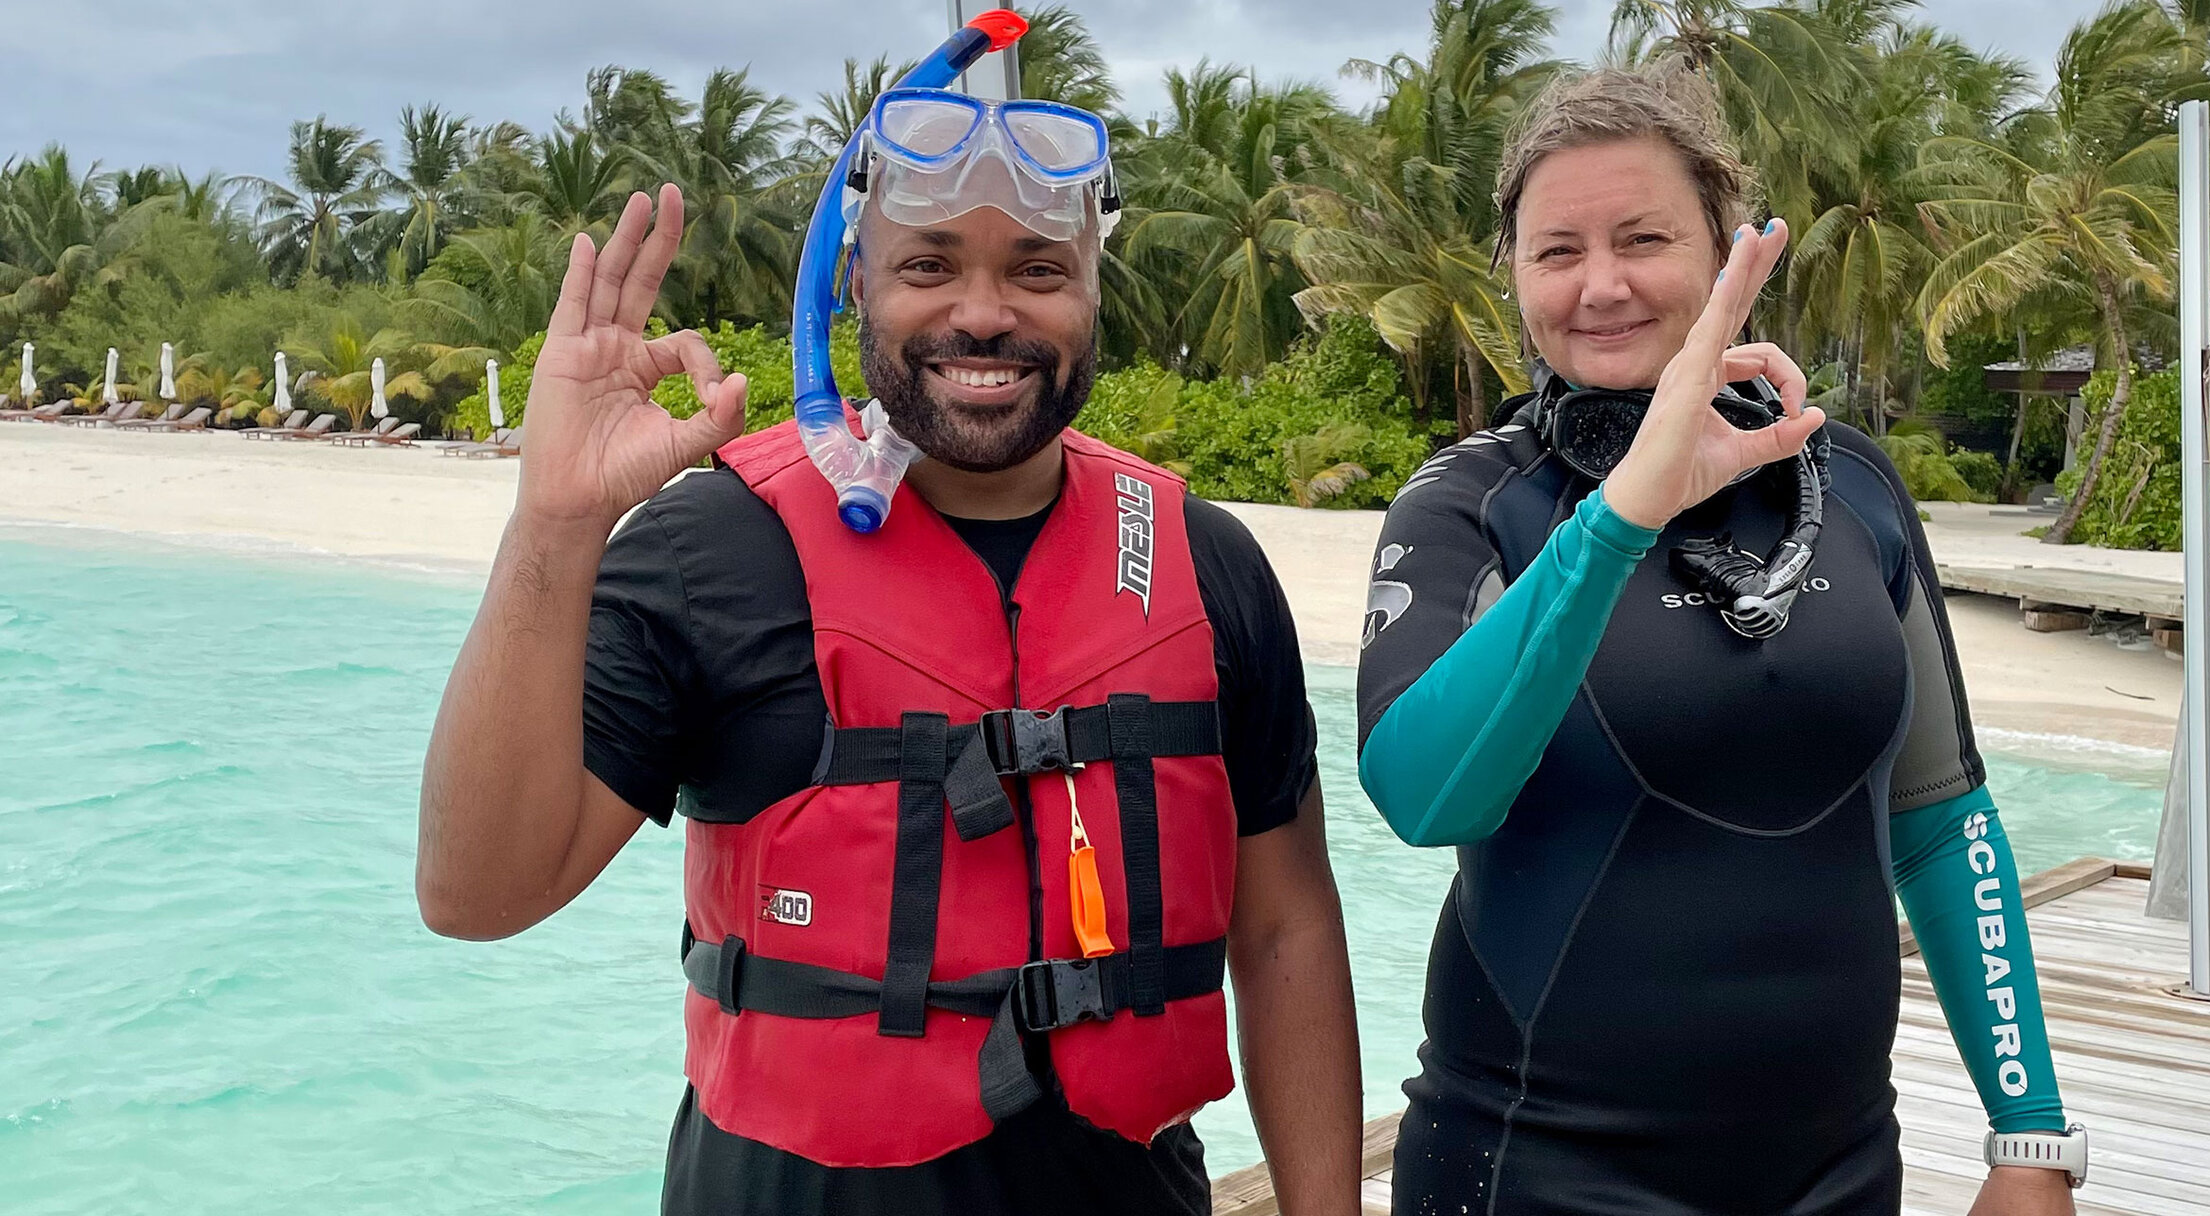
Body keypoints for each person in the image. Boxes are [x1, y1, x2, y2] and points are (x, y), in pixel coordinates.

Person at [417, 75, 1362, 1216]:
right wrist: (556, 526)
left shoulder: (1205, 567)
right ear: (853, 280)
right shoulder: (711, 554)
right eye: (928, 265)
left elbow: (1284, 929)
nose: (982, 313)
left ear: (1094, 291)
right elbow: (475, 893)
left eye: (1037, 269)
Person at [1355, 63, 2084, 1216]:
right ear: (1515, 276)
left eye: (1642, 238)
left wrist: (2029, 1135)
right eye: (1556, 251)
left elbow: (1940, 821)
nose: (1600, 286)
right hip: (1534, 1170)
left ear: (1719, 249)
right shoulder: (1470, 506)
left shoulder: (1849, 486)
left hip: (1835, 1174)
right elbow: (1420, 794)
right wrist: (1620, 515)